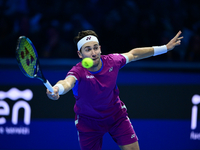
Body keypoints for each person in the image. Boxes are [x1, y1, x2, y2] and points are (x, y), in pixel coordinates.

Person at [47, 30, 183, 150]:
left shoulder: (112, 61)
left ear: (100, 48)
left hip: (115, 116)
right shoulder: (78, 71)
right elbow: (67, 82)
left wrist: (165, 48)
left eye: (95, 48)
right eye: (88, 49)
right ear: (80, 54)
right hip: (88, 123)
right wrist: (57, 89)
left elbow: (134, 54)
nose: (93, 53)